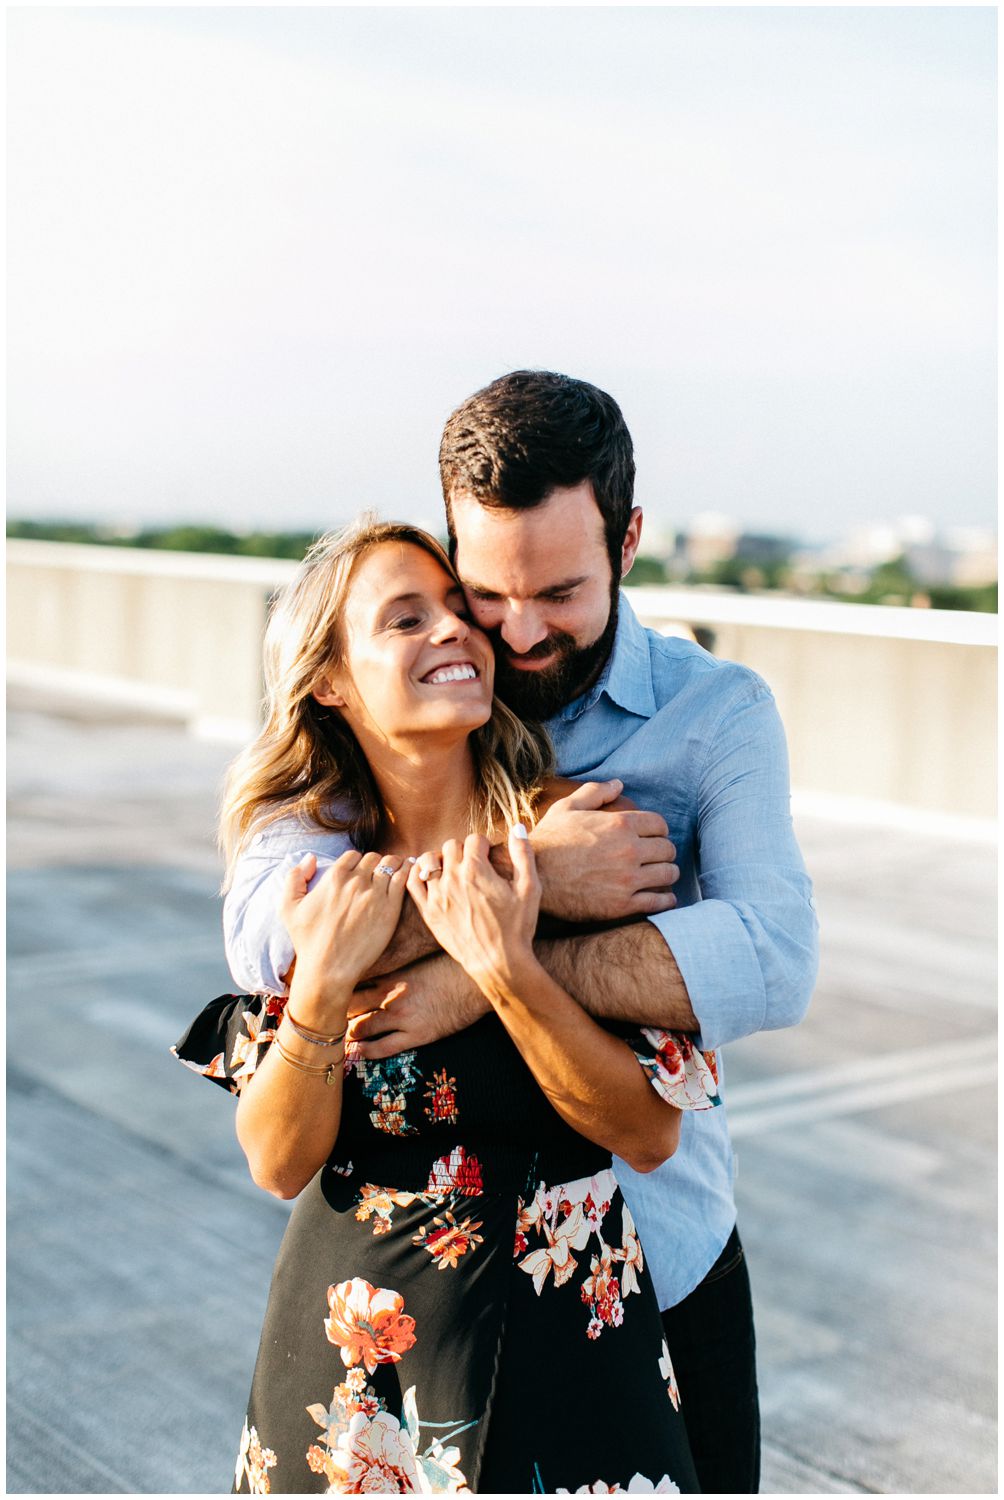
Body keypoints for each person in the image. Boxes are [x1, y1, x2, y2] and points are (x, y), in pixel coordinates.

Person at [224, 372, 820, 1494]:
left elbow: (773, 961)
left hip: (658, 1257)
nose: (515, 632)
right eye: (483, 592)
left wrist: (481, 968)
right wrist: (538, 876)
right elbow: (271, 943)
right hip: (391, 1337)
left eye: (559, 590)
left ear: (629, 539)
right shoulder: (357, 769)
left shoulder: (714, 717)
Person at [175, 518, 719, 1495]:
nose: (452, 634)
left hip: (572, 1347)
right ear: (329, 680)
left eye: (457, 612)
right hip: (355, 1367)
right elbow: (275, 1159)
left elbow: (645, 1131)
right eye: (403, 618)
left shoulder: (579, 828)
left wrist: (505, 966)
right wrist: (316, 1005)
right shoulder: (320, 887)